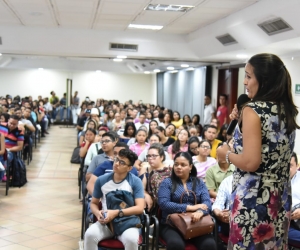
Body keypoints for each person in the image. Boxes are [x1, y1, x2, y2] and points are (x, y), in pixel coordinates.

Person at [217, 53, 299, 249]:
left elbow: (251, 162)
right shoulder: (286, 109)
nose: (244, 82)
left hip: (253, 199)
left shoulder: (253, 109)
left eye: (248, 76)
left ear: (264, 80)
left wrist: (225, 155)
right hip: (278, 198)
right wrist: (238, 124)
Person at [84, 149, 144, 250]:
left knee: (131, 239)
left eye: (122, 162)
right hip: (106, 222)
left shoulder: (135, 181)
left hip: (127, 222)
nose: (116, 164)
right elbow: (94, 203)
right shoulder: (101, 180)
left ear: (129, 168)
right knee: (89, 234)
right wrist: (97, 213)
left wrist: (116, 213)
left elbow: (140, 208)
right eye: (116, 159)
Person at [157, 152, 217, 250]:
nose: (178, 167)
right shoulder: (167, 182)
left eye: (183, 165)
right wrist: (189, 207)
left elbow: (207, 202)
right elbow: (164, 204)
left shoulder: (198, 182)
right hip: (171, 224)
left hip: (195, 222)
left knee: (209, 244)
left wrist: (200, 212)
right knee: (176, 245)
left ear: (190, 167)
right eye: (176, 164)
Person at [288, 152, 300, 245]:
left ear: (297, 165)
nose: (287, 169)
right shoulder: (275, 181)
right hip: (287, 224)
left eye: (290, 165)